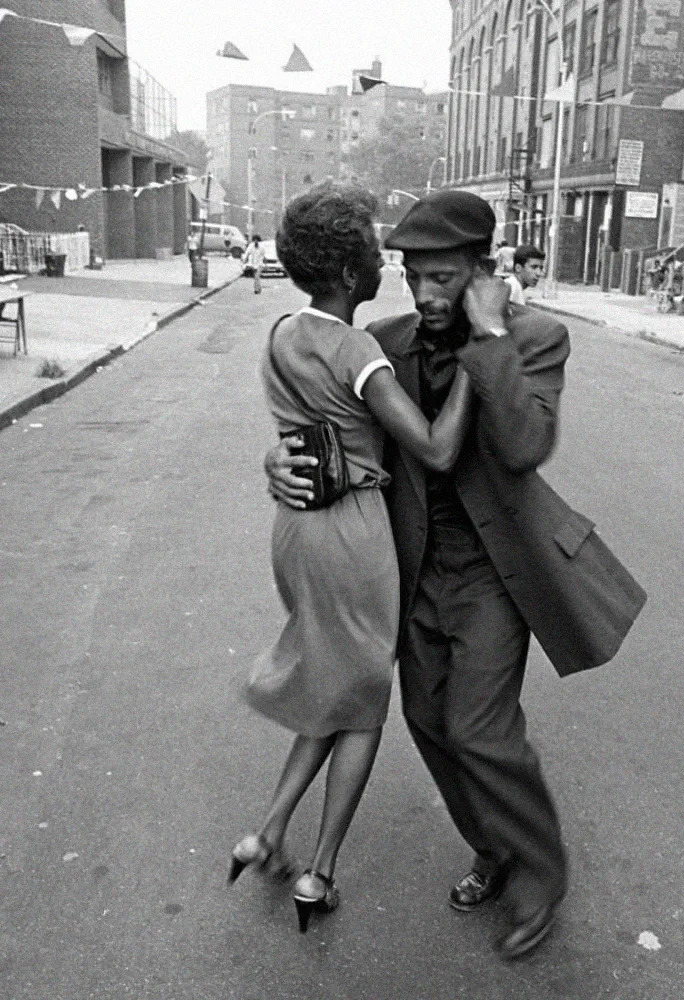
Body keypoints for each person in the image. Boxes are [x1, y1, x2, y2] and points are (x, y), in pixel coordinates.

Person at [265, 189, 647, 960]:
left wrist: (491, 335)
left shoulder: (537, 337)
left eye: (445, 279)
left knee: (480, 727)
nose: (426, 294)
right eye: (414, 276)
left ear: (483, 271)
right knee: (429, 724)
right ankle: (493, 844)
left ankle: (541, 873)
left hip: (495, 573)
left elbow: (524, 443)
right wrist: (278, 462)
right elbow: (332, 433)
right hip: (404, 569)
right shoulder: (382, 339)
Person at [229, 183, 475, 935]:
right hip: (355, 535)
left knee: (334, 683)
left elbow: (300, 425)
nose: (382, 263)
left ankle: (266, 833)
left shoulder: (280, 333)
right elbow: (432, 450)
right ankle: (320, 870)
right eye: (372, 252)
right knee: (363, 704)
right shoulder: (357, 348)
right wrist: (475, 364)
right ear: (345, 274)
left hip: (296, 530)